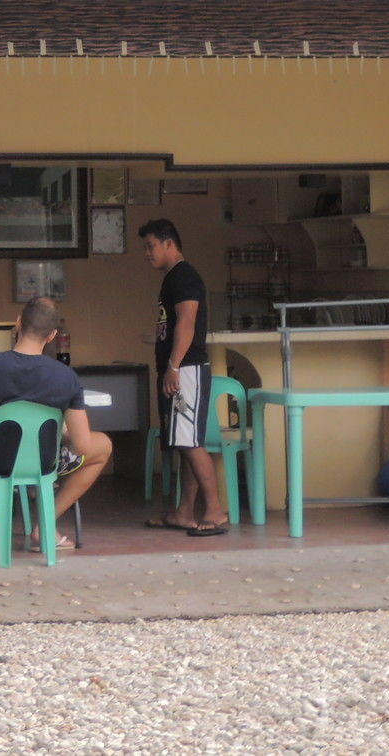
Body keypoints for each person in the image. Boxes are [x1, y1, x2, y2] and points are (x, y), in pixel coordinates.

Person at [0, 297, 111, 550]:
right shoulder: (66, 376)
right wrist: (60, 431)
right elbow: (81, 446)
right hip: (44, 461)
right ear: (52, 336)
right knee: (102, 445)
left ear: (17, 324)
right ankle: (45, 526)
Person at [143, 218, 226, 537]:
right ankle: (184, 512)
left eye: (151, 246)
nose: (147, 253)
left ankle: (216, 512)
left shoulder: (185, 277)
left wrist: (174, 366)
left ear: (169, 243)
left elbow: (187, 322)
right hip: (180, 368)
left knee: (190, 444)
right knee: (185, 441)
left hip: (187, 369)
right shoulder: (172, 278)